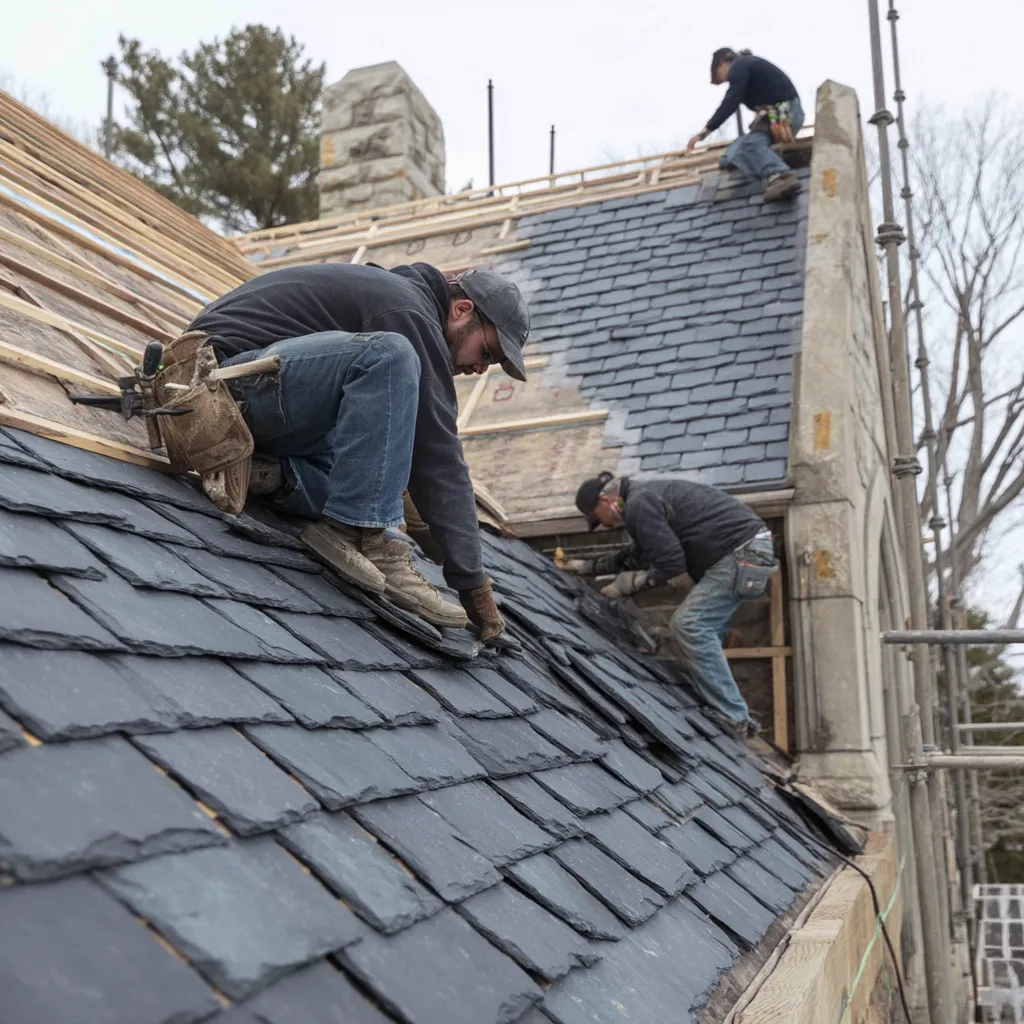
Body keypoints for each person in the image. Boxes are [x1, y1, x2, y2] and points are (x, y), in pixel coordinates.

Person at [186, 262, 530, 644]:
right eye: (488, 351)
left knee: (371, 462)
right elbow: (437, 452)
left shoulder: (399, 300)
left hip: (251, 400)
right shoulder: (407, 311)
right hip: (215, 389)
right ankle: (358, 532)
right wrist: (472, 582)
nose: (481, 368)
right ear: (462, 310)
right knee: (390, 355)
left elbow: (400, 453)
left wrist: (442, 545)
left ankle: (273, 475)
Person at [569, 472, 779, 739]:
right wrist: (588, 567)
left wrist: (630, 584)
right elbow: (642, 553)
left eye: (597, 518)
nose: (603, 525)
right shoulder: (642, 498)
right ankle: (734, 712)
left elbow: (671, 563)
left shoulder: (638, 504)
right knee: (701, 629)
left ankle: (733, 715)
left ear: (604, 500)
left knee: (689, 624)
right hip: (746, 551)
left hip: (741, 554)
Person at [686, 48, 804, 203]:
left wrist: (706, 131)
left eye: (721, 76)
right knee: (735, 151)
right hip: (775, 116)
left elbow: (730, 102)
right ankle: (764, 171)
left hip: (785, 114)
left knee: (750, 145)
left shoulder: (739, 66)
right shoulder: (749, 68)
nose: (727, 82)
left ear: (721, 64)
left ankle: (780, 176)